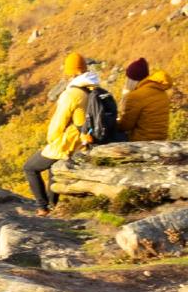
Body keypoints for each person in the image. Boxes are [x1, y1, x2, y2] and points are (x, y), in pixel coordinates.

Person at [23, 52, 115, 209]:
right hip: (87, 137)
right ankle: (52, 205)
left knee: (30, 167)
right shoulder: (95, 88)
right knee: (53, 165)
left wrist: (51, 140)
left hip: (72, 140)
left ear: (71, 71)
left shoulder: (72, 93)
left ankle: (42, 206)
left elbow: (59, 121)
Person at [119, 57, 172, 141]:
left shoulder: (135, 96)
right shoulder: (162, 92)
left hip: (141, 142)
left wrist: (124, 99)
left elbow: (125, 126)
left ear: (131, 80)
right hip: (161, 140)